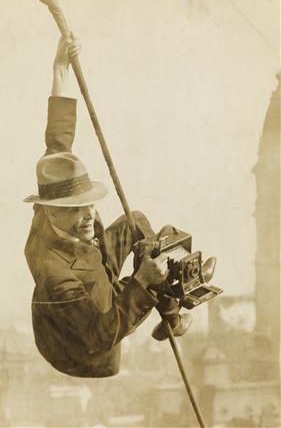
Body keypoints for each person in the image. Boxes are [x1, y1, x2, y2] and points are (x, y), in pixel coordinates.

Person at [24, 37, 192, 378]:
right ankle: (164, 294)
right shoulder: (55, 274)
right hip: (84, 348)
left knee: (136, 222)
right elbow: (99, 336)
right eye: (76, 210)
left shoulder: (53, 185)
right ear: (52, 210)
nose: (89, 216)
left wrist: (60, 67)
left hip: (94, 274)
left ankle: (170, 312)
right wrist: (142, 282)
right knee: (144, 278)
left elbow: (58, 139)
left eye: (88, 205)